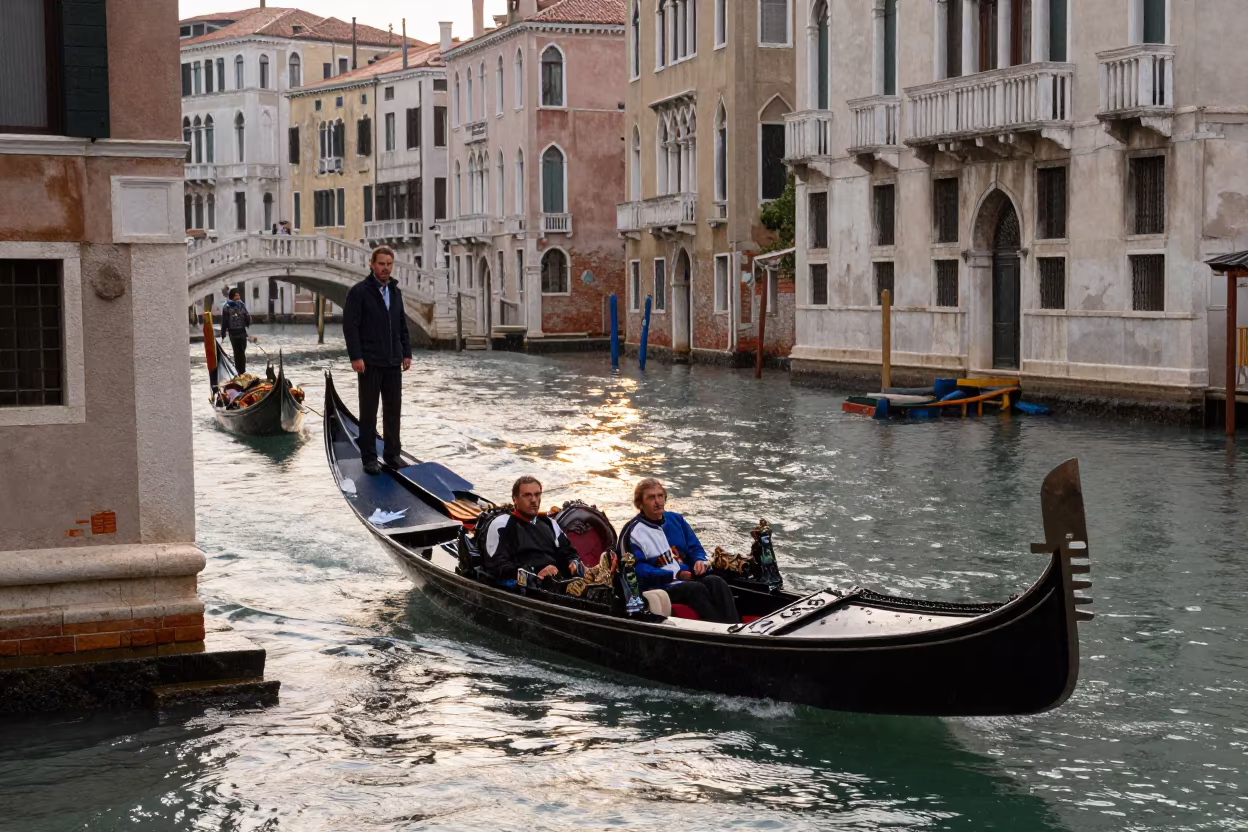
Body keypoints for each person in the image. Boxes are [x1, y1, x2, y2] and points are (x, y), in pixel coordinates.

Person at [619, 478, 740, 624]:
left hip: (687, 577)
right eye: (651, 497)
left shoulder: (676, 520)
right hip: (660, 584)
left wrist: (699, 561)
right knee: (695, 589)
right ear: (640, 503)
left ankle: (735, 625)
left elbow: (695, 548)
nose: (657, 501)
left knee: (717, 582)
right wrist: (673, 574)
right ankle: (718, 631)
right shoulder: (632, 532)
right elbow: (635, 570)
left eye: (660, 496)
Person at [343, 245, 412, 475]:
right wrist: (356, 356)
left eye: (389, 264)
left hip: (393, 361)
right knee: (369, 412)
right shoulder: (359, 292)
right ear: (372, 264)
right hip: (370, 362)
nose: (385, 268)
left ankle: (392, 455)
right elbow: (351, 327)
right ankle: (369, 458)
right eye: (381, 264)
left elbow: (402, 324)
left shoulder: (395, 292)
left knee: (393, 411)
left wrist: (407, 352)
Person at [483, 476, 582, 584]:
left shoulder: (550, 523)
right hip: (525, 588)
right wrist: (535, 575)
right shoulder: (502, 525)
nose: (534, 500)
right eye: (527, 495)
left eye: (537, 494)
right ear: (514, 499)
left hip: (557, 581)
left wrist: (573, 563)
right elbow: (496, 565)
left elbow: (568, 552)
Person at [219, 289, 253, 374]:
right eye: (236, 295)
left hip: (242, 332)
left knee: (242, 351)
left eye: (238, 295)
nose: (238, 297)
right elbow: (224, 321)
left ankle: (242, 371)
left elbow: (246, 315)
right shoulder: (226, 307)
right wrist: (223, 334)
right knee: (237, 352)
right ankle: (239, 371)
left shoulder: (241, 305)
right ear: (232, 296)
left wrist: (248, 321)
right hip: (233, 333)